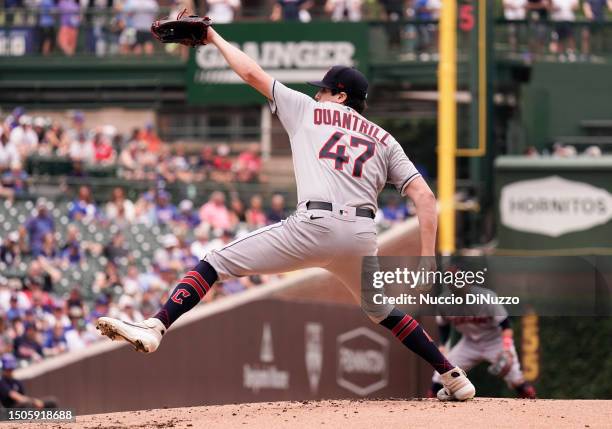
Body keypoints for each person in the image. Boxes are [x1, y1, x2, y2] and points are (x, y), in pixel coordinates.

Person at [96, 24, 476, 402]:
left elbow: (250, 73)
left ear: (341, 96)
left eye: (324, 89)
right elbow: (425, 197)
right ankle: (452, 375)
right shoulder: (385, 139)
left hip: (314, 224)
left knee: (214, 263)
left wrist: (213, 39)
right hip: (361, 236)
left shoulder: (309, 111)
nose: (318, 93)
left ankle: (156, 326)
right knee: (383, 311)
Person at [429, 271, 537, 399]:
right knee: (440, 374)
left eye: (459, 279)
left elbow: (506, 325)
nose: (456, 283)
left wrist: (507, 348)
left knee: (516, 380)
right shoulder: (444, 302)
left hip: (495, 341)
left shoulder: (486, 297)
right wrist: (442, 345)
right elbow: (443, 325)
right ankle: (429, 410)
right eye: (451, 280)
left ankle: (534, 407)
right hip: (469, 343)